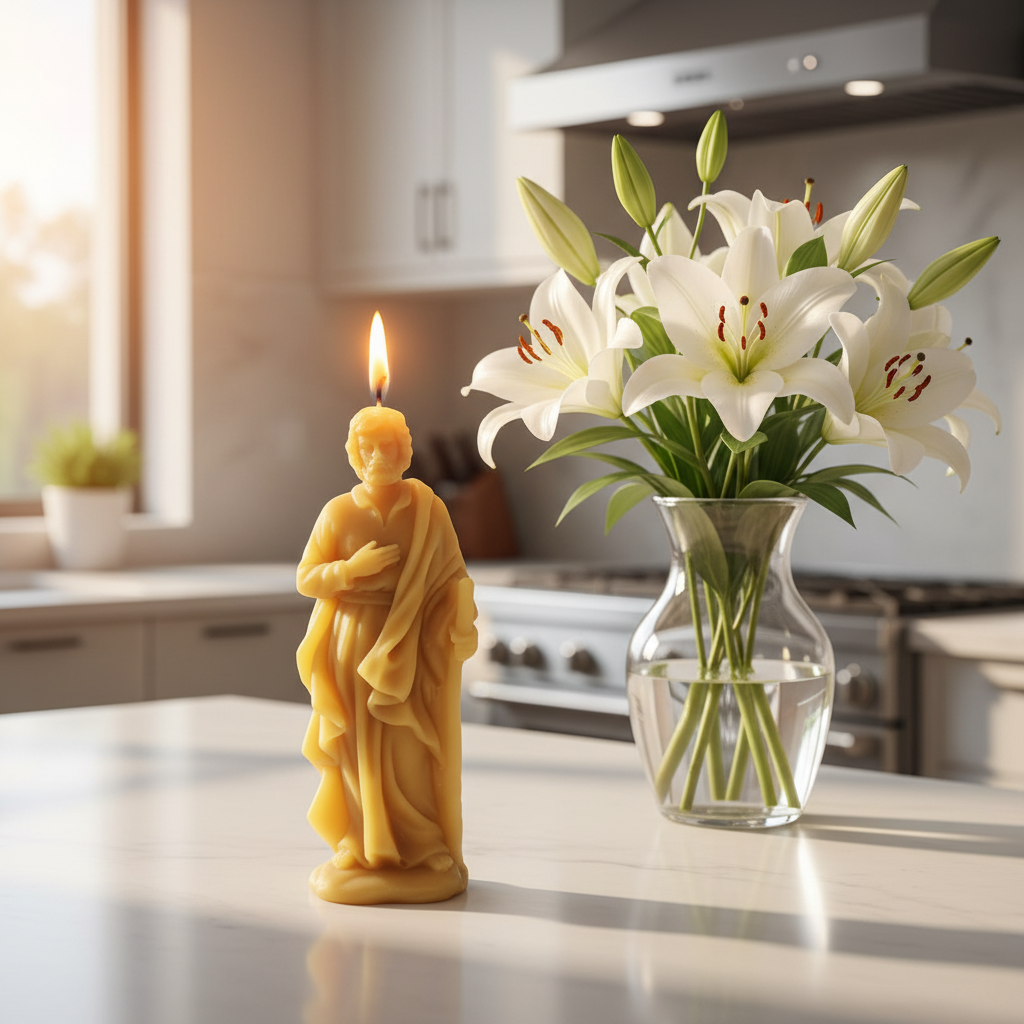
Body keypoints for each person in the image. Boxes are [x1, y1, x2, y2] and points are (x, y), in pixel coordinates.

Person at [296, 405, 477, 904]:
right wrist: (349, 571)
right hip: (351, 643)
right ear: (354, 455)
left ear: (405, 451)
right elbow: (307, 577)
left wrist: (461, 621)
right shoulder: (338, 513)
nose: (378, 457)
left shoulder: (428, 511)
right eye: (368, 448)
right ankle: (358, 845)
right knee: (356, 751)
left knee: (409, 747)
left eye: (389, 446)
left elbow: (454, 578)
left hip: (410, 644)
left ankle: (423, 846)